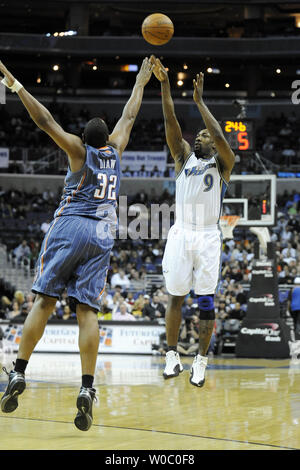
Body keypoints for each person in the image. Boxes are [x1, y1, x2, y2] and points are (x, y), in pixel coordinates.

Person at [0, 57, 154, 430]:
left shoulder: (79, 152)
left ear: (84, 140)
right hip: (102, 234)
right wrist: (141, 83)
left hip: (70, 226)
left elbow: (45, 121)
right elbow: (129, 117)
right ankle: (87, 387)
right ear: (108, 139)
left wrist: (16, 86)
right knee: (86, 312)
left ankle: (19, 372)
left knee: (44, 301)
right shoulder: (116, 152)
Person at [150, 56, 235, 387]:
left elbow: (216, 131)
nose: (200, 135)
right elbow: (170, 118)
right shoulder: (183, 157)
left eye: (205, 135)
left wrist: (200, 102)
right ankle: (172, 356)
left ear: (213, 144)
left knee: (205, 302)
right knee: (175, 297)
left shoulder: (224, 163)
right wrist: (165, 84)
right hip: (181, 233)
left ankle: (200, 360)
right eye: (197, 134)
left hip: (208, 237)